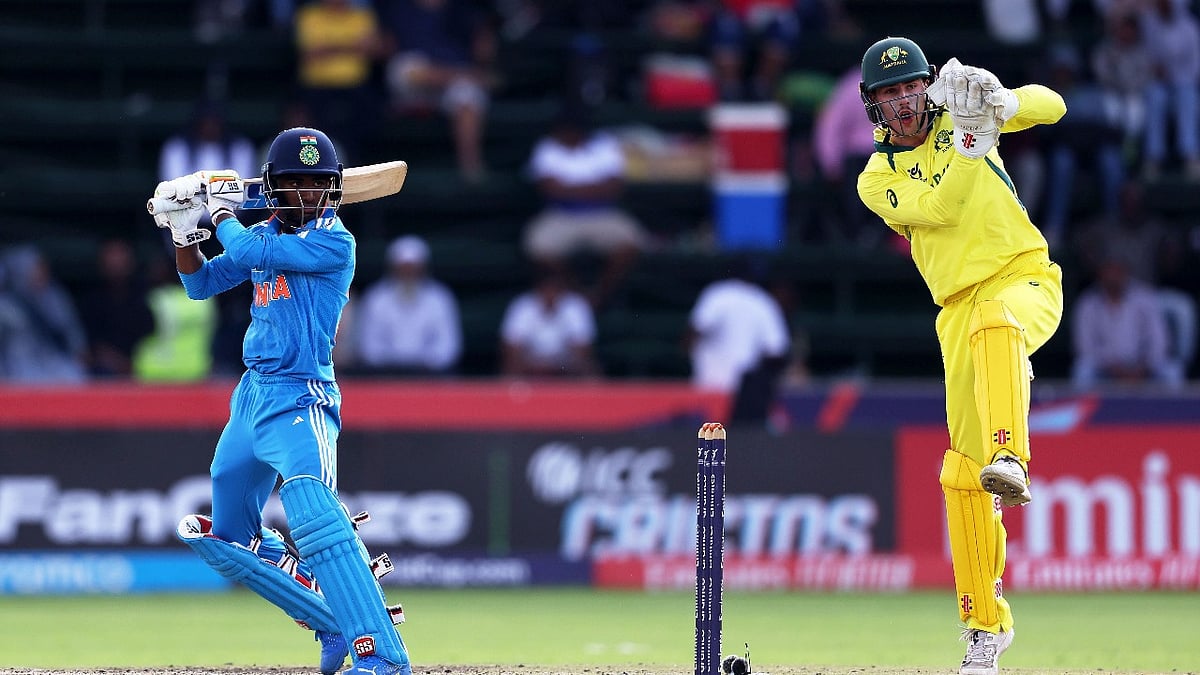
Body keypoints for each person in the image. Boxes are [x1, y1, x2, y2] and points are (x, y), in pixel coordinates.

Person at [148, 127, 411, 675]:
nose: (306, 193)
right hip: (251, 397)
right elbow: (201, 285)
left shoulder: (334, 241)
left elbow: (244, 246)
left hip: (303, 397)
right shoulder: (264, 232)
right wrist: (181, 232)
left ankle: (382, 656)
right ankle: (329, 623)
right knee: (227, 539)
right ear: (271, 186)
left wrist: (217, 214)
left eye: (317, 184)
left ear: (333, 190)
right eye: (293, 181)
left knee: (312, 512)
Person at [856, 37, 1066, 675]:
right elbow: (943, 206)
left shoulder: (964, 113)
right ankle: (984, 632)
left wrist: (1001, 103)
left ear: (926, 86)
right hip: (956, 312)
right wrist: (974, 144)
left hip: (1024, 279)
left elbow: (1053, 106)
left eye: (910, 86)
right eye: (889, 93)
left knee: (1000, 326)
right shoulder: (878, 179)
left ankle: (1013, 454)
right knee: (961, 475)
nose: (903, 100)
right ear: (874, 106)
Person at [523, 100, 648, 309]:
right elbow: (549, 188)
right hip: (561, 215)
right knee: (536, 247)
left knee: (632, 242)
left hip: (603, 214)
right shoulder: (548, 147)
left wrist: (569, 188)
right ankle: (577, 293)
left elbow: (615, 187)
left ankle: (600, 295)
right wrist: (593, 188)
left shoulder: (605, 145)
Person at [379, 0, 495, 180]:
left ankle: (471, 169)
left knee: (468, 95)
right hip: (412, 85)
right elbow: (387, 49)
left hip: (451, 86)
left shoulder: (463, 9)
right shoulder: (399, 7)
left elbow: (483, 51)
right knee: (406, 67)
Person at [685, 257, 791, 424]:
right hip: (745, 394)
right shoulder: (762, 301)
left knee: (707, 444)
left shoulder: (717, 294)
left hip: (709, 387)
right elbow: (776, 352)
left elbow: (693, 334)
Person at [355, 234, 462, 375]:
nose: (408, 274)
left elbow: (448, 346)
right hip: (384, 376)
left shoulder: (440, 298)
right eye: (403, 268)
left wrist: (424, 363)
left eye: (413, 269)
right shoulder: (376, 298)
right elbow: (369, 345)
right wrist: (392, 363)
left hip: (430, 377)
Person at [1071, 254, 1181, 389]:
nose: (1113, 277)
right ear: (1100, 273)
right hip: (1106, 367)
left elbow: (1159, 341)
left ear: (1126, 272)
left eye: (1118, 271)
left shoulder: (1145, 298)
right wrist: (1115, 369)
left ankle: (1173, 410)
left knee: (1172, 371)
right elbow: (1085, 348)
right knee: (1083, 370)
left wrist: (1143, 368)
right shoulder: (1088, 303)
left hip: (1143, 365)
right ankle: (1088, 408)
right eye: (1109, 271)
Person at [0, 245, 89, 384]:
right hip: (17, 367)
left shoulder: (55, 297)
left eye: (43, 267)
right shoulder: (6, 306)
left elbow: (71, 332)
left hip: (52, 363)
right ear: (21, 271)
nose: (42, 272)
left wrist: (79, 350)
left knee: (74, 377)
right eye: (36, 268)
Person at [500, 264, 599, 378]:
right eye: (547, 289)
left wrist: (562, 364)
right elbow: (511, 346)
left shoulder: (575, 306)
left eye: (555, 289)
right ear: (539, 289)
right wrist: (535, 364)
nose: (551, 293)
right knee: (510, 364)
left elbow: (583, 348)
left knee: (589, 367)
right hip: (529, 364)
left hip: (565, 365)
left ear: (562, 289)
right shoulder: (522, 305)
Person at [80, 238, 156, 378]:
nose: (116, 264)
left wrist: (136, 364)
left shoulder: (148, 297)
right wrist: (121, 364)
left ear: (131, 261)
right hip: (106, 371)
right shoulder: (92, 301)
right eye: (111, 259)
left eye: (120, 257)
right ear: (101, 264)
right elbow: (90, 348)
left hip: (148, 367)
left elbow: (153, 337)